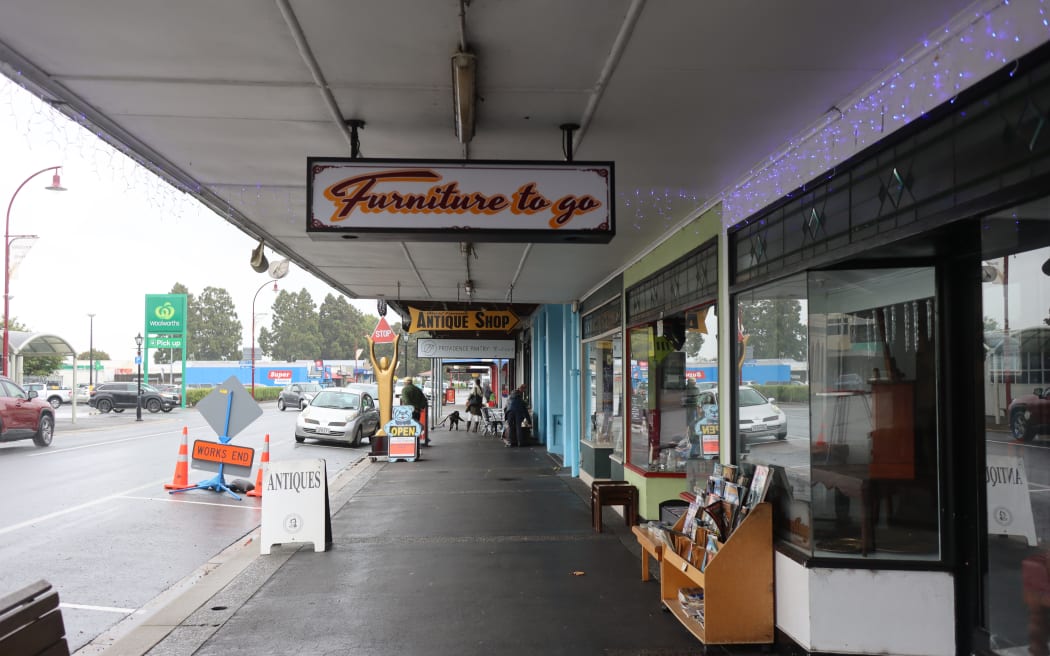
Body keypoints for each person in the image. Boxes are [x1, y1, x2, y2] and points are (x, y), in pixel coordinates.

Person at [400, 377, 429, 444]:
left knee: (408, 429)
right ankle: (416, 443)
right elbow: (424, 400)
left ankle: (410, 444)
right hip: (417, 412)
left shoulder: (405, 390)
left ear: (405, 383)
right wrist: (420, 407)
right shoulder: (417, 389)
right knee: (415, 427)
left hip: (408, 413)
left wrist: (411, 409)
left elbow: (406, 401)